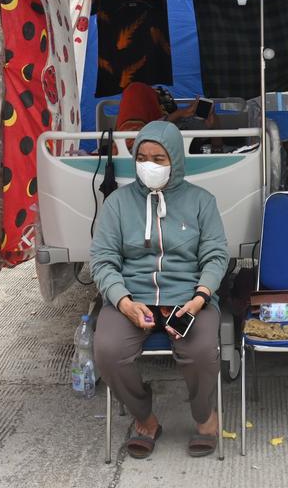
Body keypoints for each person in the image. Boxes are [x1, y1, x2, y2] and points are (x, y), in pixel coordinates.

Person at [90, 121, 229, 459]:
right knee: (107, 351)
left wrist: (200, 298)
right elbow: (102, 260)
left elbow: (215, 255)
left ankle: (204, 417)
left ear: (176, 160)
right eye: (143, 156)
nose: (149, 164)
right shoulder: (118, 204)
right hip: (132, 297)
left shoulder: (201, 201)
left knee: (200, 352)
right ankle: (145, 418)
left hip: (188, 299)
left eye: (159, 158)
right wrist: (123, 303)